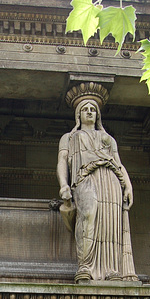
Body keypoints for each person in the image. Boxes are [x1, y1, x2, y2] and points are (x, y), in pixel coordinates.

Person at [57, 84, 138, 283]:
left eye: (93, 109)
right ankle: (85, 265)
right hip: (85, 179)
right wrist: (63, 185)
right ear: (78, 115)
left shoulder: (107, 138)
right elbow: (61, 162)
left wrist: (127, 185)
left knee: (110, 222)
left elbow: (118, 164)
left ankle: (111, 269)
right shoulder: (69, 137)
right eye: (85, 109)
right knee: (88, 214)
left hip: (110, 181)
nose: (90, 112)